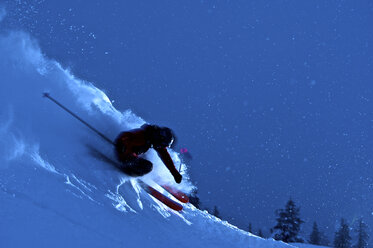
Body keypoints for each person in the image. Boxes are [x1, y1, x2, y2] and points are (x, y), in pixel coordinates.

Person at [114, 124, 182, 183]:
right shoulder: (143, 135)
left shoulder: (153, 140)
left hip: (129, 155)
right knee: (148, 166)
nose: (161, 146)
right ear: (160, 138)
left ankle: (132, 170)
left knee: (146, 157)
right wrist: (121, 144)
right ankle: (128, 172)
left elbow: (165, 157)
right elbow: (126, 136)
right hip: (124, 154)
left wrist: (174, 173)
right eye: (162, 144)